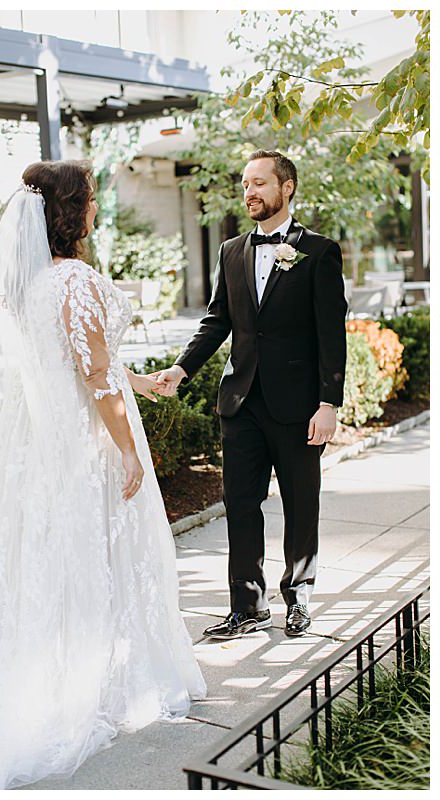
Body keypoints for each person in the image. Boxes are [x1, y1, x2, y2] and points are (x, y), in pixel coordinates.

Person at [0, 160, 206, 789]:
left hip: (48, 447)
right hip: (87, 446)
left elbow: (82, 367)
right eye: (92, 200)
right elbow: (96, 379)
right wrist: (129, 449)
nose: (97, 209)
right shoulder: (74, 281)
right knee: (101, 552)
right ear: (71, 212)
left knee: (58, 558)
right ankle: (103, 682)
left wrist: (142, 381)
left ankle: (65, 666)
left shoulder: (34, 285)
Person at [150, 150, 347, 640]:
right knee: (239, 503)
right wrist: (181, 369)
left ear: (288, 188)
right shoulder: (232, 250)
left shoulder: (319, 252)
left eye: (260, 183)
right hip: (240, 403)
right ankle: (247, 604)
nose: (250, 193)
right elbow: (218, 321)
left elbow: (331, 335)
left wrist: (328, 403)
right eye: (245, 185)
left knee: (302, 503)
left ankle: (298, 597)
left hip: (299, 406)